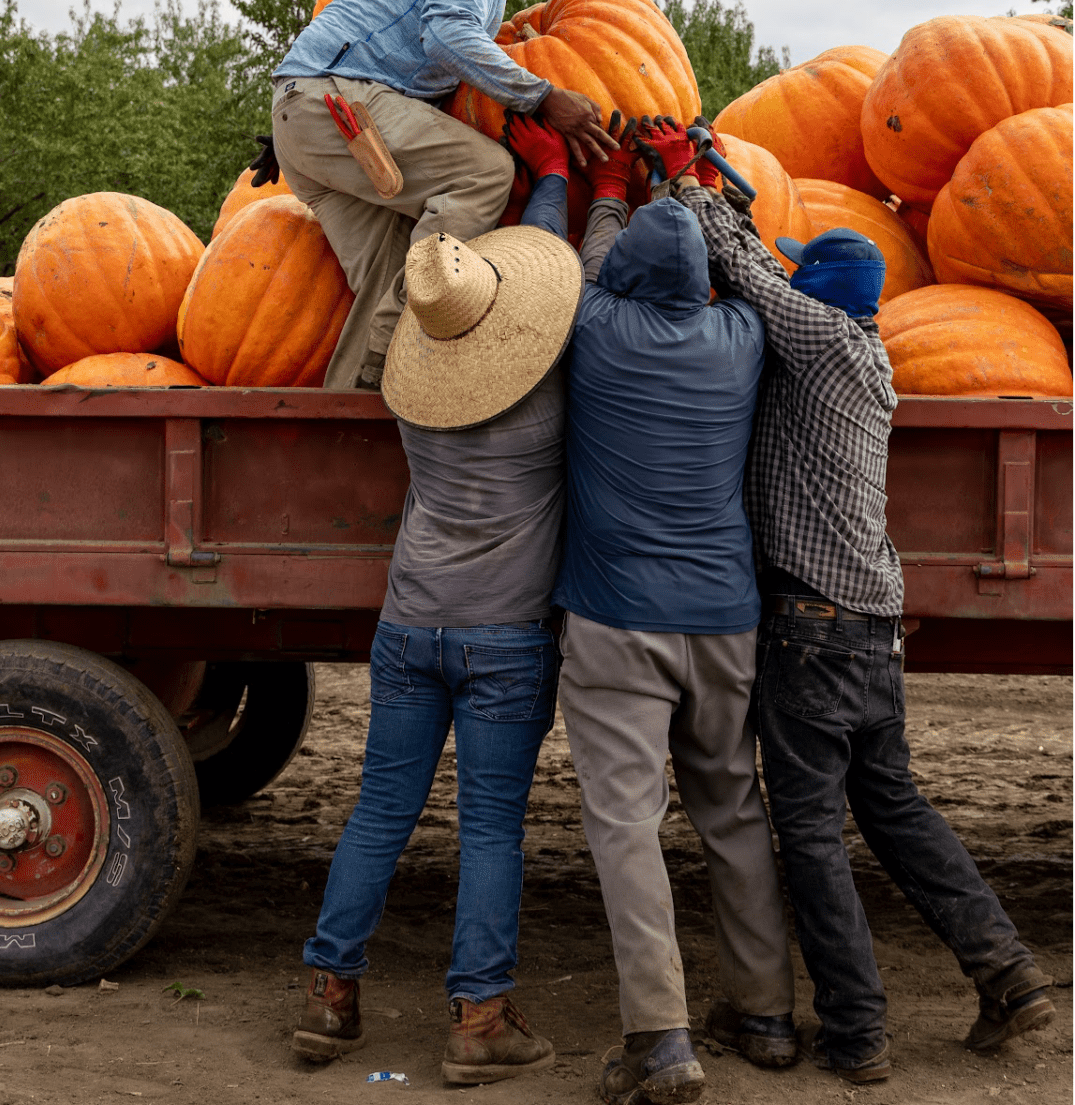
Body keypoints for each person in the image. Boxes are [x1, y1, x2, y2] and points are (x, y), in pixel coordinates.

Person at [674, 157, 1056, 1086]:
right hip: (870, 629)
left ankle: (857, 1032)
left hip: (810, 634)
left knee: (808, 835)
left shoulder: (826, 344)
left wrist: (685, 187)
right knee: (892, 807)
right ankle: (1005, 971)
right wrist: (731, 199)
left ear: (819, 299)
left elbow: (755, 274)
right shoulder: (858, 357)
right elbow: (769, 266)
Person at [503, 114, 797, 1105]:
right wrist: (692, 184)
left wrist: (615, 192)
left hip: (617, 620)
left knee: (626, 825)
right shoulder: (741, 335)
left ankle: (661, 1042)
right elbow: (752, 268)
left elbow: (580, 264)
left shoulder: (591, 324)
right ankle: (764, 1012)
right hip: (725, 617)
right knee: (732, 805)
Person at [291, 191, 585, 1086]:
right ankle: (477, 1021)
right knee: (490, 828)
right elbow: (573, 306)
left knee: (379, 811)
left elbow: (428, 299)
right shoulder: (546, 407)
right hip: (502, 638)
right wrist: (560, 191)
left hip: (408, 625)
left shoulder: (416, 408)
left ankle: (327, 1002)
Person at [267, 0, 618, 390]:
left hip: (304, 116)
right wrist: (544, 96)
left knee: (389, 276)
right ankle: (398, 356)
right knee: (485, 173)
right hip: (337, 103)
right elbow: (448, 34)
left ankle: (350, 419)